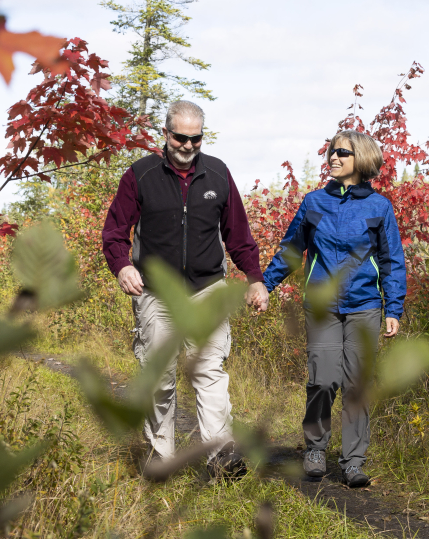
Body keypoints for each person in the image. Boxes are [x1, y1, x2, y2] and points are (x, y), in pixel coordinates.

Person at [101, 100, 269, 477]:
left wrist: (255, 278)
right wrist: (122, 266)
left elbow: (238, 236)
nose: (188, 146)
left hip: (207, 288)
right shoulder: (140, 175)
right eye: (180, 137)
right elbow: (114, 233)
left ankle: (221, 458)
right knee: (159, 376)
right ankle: (161, 457)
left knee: (208, 370)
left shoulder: (219, 175)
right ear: (166, 134)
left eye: (195, 139)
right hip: (155, 292)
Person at [261, 130, 406, 487]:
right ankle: (315, 450)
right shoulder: (313, 203)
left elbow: (391, 261)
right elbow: (292, 251)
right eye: (331, 152)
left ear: (363, 159)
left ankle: (354, 461)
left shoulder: (378, 207)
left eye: (342, 152)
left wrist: (393, 308)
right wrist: (264, 285)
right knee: (323, 380)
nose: (333, 158)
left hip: (365, 306)